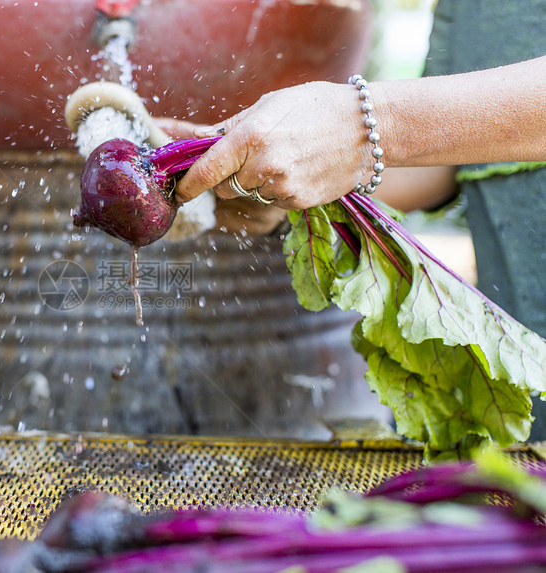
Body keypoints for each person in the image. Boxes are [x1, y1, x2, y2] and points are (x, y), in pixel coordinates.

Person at [161, 0, 546, 438]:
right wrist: (284, 185)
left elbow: (388, 133)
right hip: (521, 369)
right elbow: (441, 161)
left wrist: (366, 124)